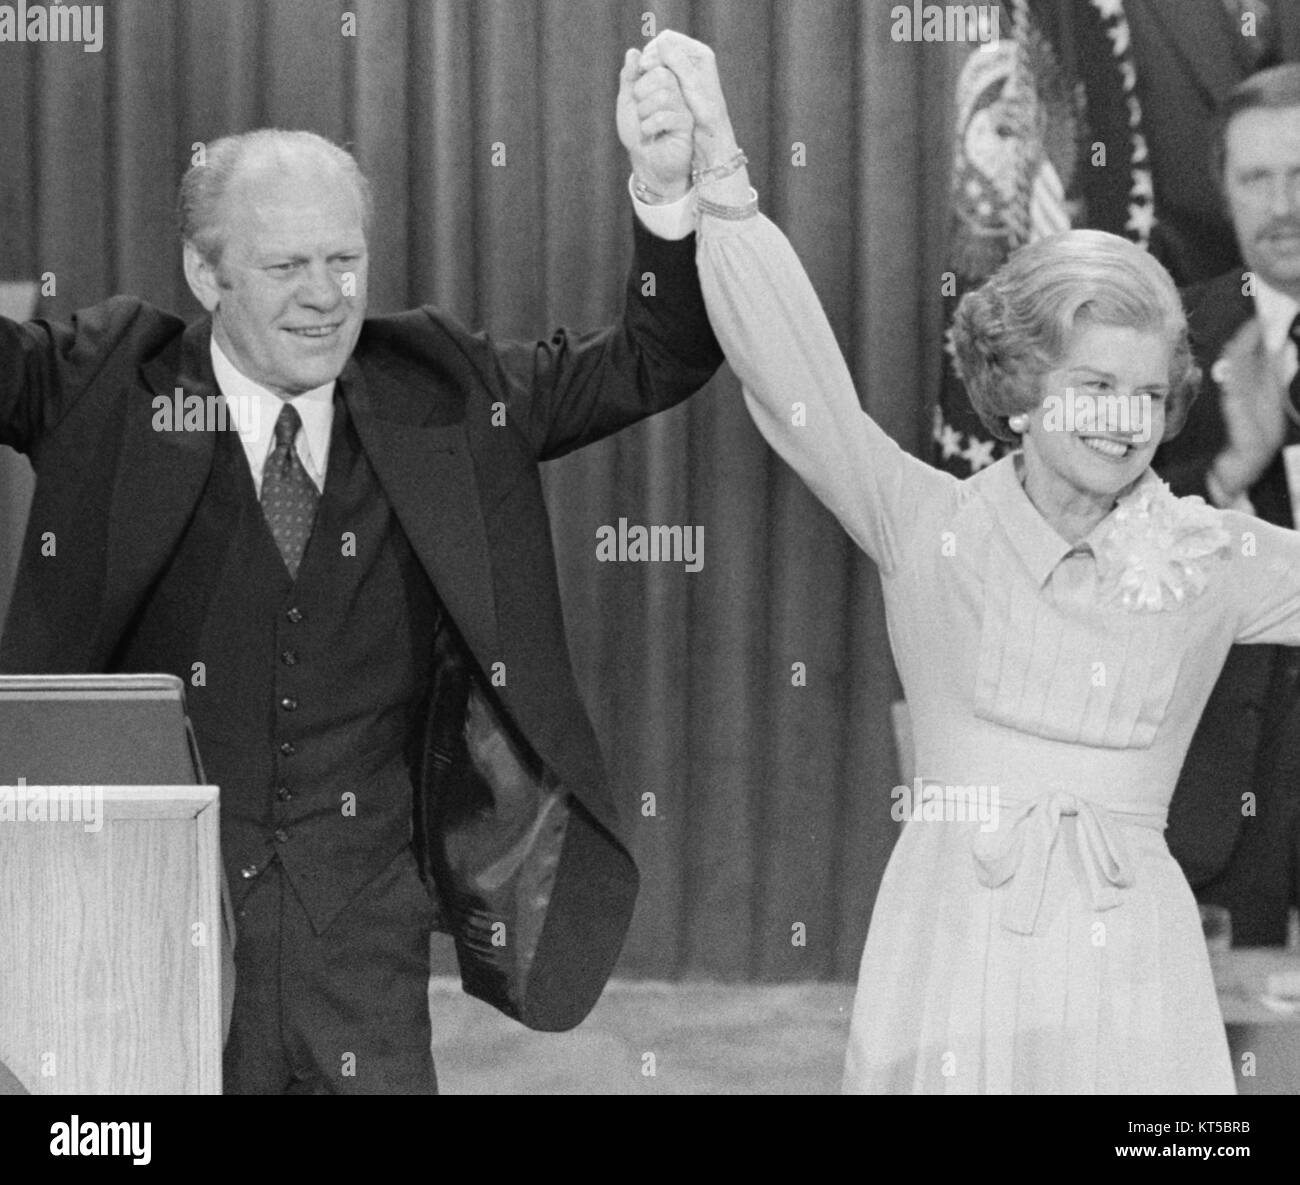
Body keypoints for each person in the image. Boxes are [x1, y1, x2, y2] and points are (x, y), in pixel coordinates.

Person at [0, 51, 723, 1093]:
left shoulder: (442, 389)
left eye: (344, 262)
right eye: (288, 267)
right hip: (144, 933)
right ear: (208, 276)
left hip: (365, 945)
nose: (326, 297)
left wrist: (662, 189)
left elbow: (655, 359)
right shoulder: (104, 382)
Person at [648, 30, 1300, 1092]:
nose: (1122, 420)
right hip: (948, 953)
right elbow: (792, 381)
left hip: (1138, 976)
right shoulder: (929, 524)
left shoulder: (1206, 553)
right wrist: (720, 179)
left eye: (1145, 394)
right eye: (1091, 385)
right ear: (1021, 387)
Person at [1157, 63, 1300, 944]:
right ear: (1223, 190)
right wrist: (1231, 473)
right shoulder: (1165, 340)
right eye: (1256, 177)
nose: (1281, 203)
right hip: (1226, 784)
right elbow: (1104, 557)